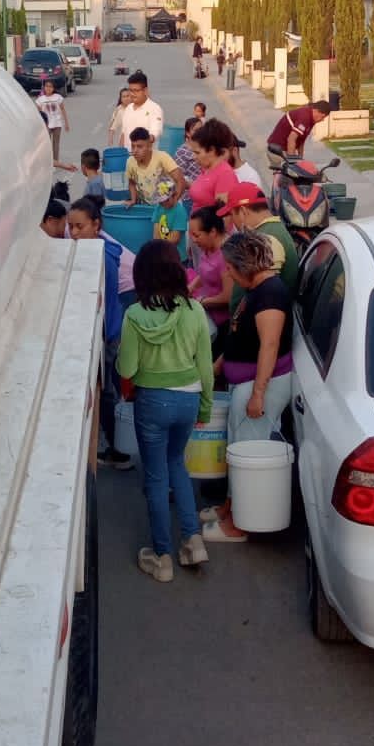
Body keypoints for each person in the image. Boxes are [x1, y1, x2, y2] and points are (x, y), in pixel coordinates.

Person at [118, 240, 213, 581]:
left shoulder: (134, 314)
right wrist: (204, 407)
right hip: (189, 400)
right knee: (178, 466)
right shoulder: (195, 310)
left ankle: (163, 558)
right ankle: (192, 540)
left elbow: (127, 369)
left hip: (153, 402)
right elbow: (205, 366)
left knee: (156, 478)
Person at [201, 230, 294, 545]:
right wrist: (220, 364)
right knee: (237, 446)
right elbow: (245, 336)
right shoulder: (258, 289)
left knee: (247, 454)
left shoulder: (271, 294)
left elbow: (269, 344)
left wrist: (258, 394)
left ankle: (239, 525)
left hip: (259, 385)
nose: (227, 272)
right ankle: (231, 508)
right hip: (243, 381)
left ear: (246, 264)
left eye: (230, 267)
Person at [67, 197, 133, 471]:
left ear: (97, 225)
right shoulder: (97, 247)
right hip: (108, 329)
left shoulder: (102, 257)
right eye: (71, 227)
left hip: (107, 334)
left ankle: (115, 447)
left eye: (80, 226)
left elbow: (101, 302)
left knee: (106, 390)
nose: (74, 233)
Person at [216, 185, 299, 297]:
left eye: (232, 215)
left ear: (243, 211)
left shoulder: (267, 239)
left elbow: (267, 294)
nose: (232, 221)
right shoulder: (269, 231)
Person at [187, 205, 232, 347]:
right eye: (191, 235)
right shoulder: (207, 248)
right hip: (208, 314)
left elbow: (228, 296)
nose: (193, 240)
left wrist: (200, 301)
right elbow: (204, 272)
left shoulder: (226, 256)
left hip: (222, 323)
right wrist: (191, 286)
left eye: (197, 235)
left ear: (212, 232)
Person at [187, 118, 242, 213]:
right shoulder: (207, 169)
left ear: (212, 150)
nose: (194, 157)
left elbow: (224, 219)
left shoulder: (225, 175)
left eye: (197, 153)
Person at [127, 127, 184, 207]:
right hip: (149, 208)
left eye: (139, 147)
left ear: (149, 146)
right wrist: (133, 200)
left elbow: (180, 181)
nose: (135, 151)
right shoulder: (130, 162)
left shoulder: (162, 157)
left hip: (168, 206)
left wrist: (174, 201)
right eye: (133, 146)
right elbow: (131, 182)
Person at [267, 99, 333, 165]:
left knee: (298, 170)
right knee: (286, 172)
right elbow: (291, 139)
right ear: (316, 111)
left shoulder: (311, 119)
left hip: (286, 149)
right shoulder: (305, 117)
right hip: (277, 150)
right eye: (322, 117)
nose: (322, 120)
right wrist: (292, 162)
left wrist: (300, 159)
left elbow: (301, 140)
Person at [119, 70, 164, 147]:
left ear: (145, 90)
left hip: (146, 157)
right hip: (128, 157)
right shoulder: (128, 109)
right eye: (130, 90)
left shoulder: (155, 109)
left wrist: (146, 141)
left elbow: (156, 132)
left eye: (136, 91)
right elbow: (124, 134)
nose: (132, 94)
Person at [35, 78, 70, 161]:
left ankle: (55, 161)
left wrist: (66, 123)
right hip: (47, 125)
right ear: (44, 88)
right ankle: (47, 160)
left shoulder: (58, 97)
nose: (48, 88)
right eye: (46, 86)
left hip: (57, 124)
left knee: (56, 144)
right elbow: (39, 114)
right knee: (46, 143)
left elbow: (63, 110)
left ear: (53, 88)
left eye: (50, 87)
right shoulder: (40, 100)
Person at [175, 118, 203, 187]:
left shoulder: (208, 149)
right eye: (196, 130)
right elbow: (180, 176)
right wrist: (196, 186)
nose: (200, 133)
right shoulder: (182, 152)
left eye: (202, 130)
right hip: (190, 193)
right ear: (188, 133)